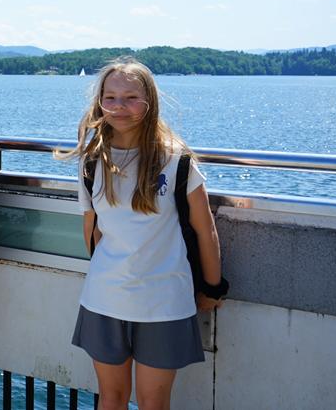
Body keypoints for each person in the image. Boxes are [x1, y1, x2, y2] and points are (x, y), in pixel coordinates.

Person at [61, 58, 225, 410]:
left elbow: (205, 229)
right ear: (99, 103)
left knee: (153, 402)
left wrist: (212, 288)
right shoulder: (92, 161)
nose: (119, 106)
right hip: (104, 300)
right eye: (110, 97)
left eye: (131, 97)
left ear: (150, 101)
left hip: (164, 303)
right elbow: (92, 230)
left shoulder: (176, 160)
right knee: (112, 398)